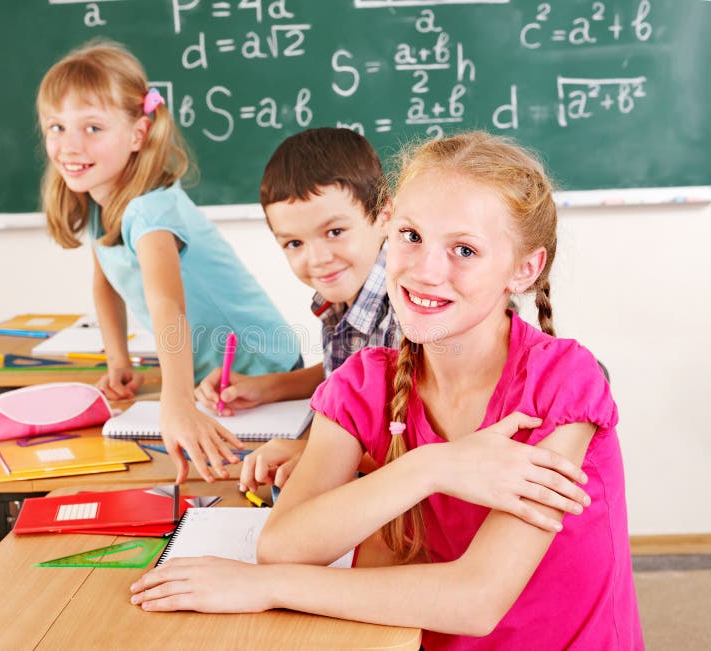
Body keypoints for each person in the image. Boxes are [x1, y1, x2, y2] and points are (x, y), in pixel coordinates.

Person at [131, 132, 644, 649]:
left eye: (464, 249)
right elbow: (284, 544)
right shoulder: (363, 383)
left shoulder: (562, 383)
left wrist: (268, 587)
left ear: (524, 269)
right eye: (411, 235)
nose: (425, 271)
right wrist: (433, 466)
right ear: (387, 225)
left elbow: (477, 600)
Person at [37, 41, 300, 483]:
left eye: (93, 128)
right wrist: (118, 361)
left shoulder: (149, 209)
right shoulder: (100, 203)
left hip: (261, 372)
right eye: (56, 126)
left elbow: (167, 304)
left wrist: (174, 402)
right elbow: (106, 283)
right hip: (209, 380)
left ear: (139, 133)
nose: (69, 144)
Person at [195, 127, 398, 488]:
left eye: (335, 232)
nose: (317, 259)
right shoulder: (339, 301)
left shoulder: (406, 310)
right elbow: (349, 373)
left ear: (384, 215)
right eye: (294, 243)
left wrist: (316, 455)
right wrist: (267, 387)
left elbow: (418, 444)